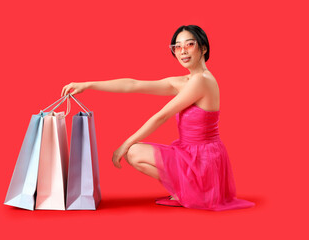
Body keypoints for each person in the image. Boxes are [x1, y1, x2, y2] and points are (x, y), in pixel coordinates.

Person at [61, 25, 255, 211]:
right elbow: (133, 85)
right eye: (177, 47)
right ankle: (189, 191)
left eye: (189, 44)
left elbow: (161, 116)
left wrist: (124, 144)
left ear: (203, 48)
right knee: (133, 153)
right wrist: (88, 84)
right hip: (192, 154)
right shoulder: (186, 81)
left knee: (133, 151)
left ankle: (193, 192)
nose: (182, 51)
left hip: (202, 160)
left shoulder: (202, 81)